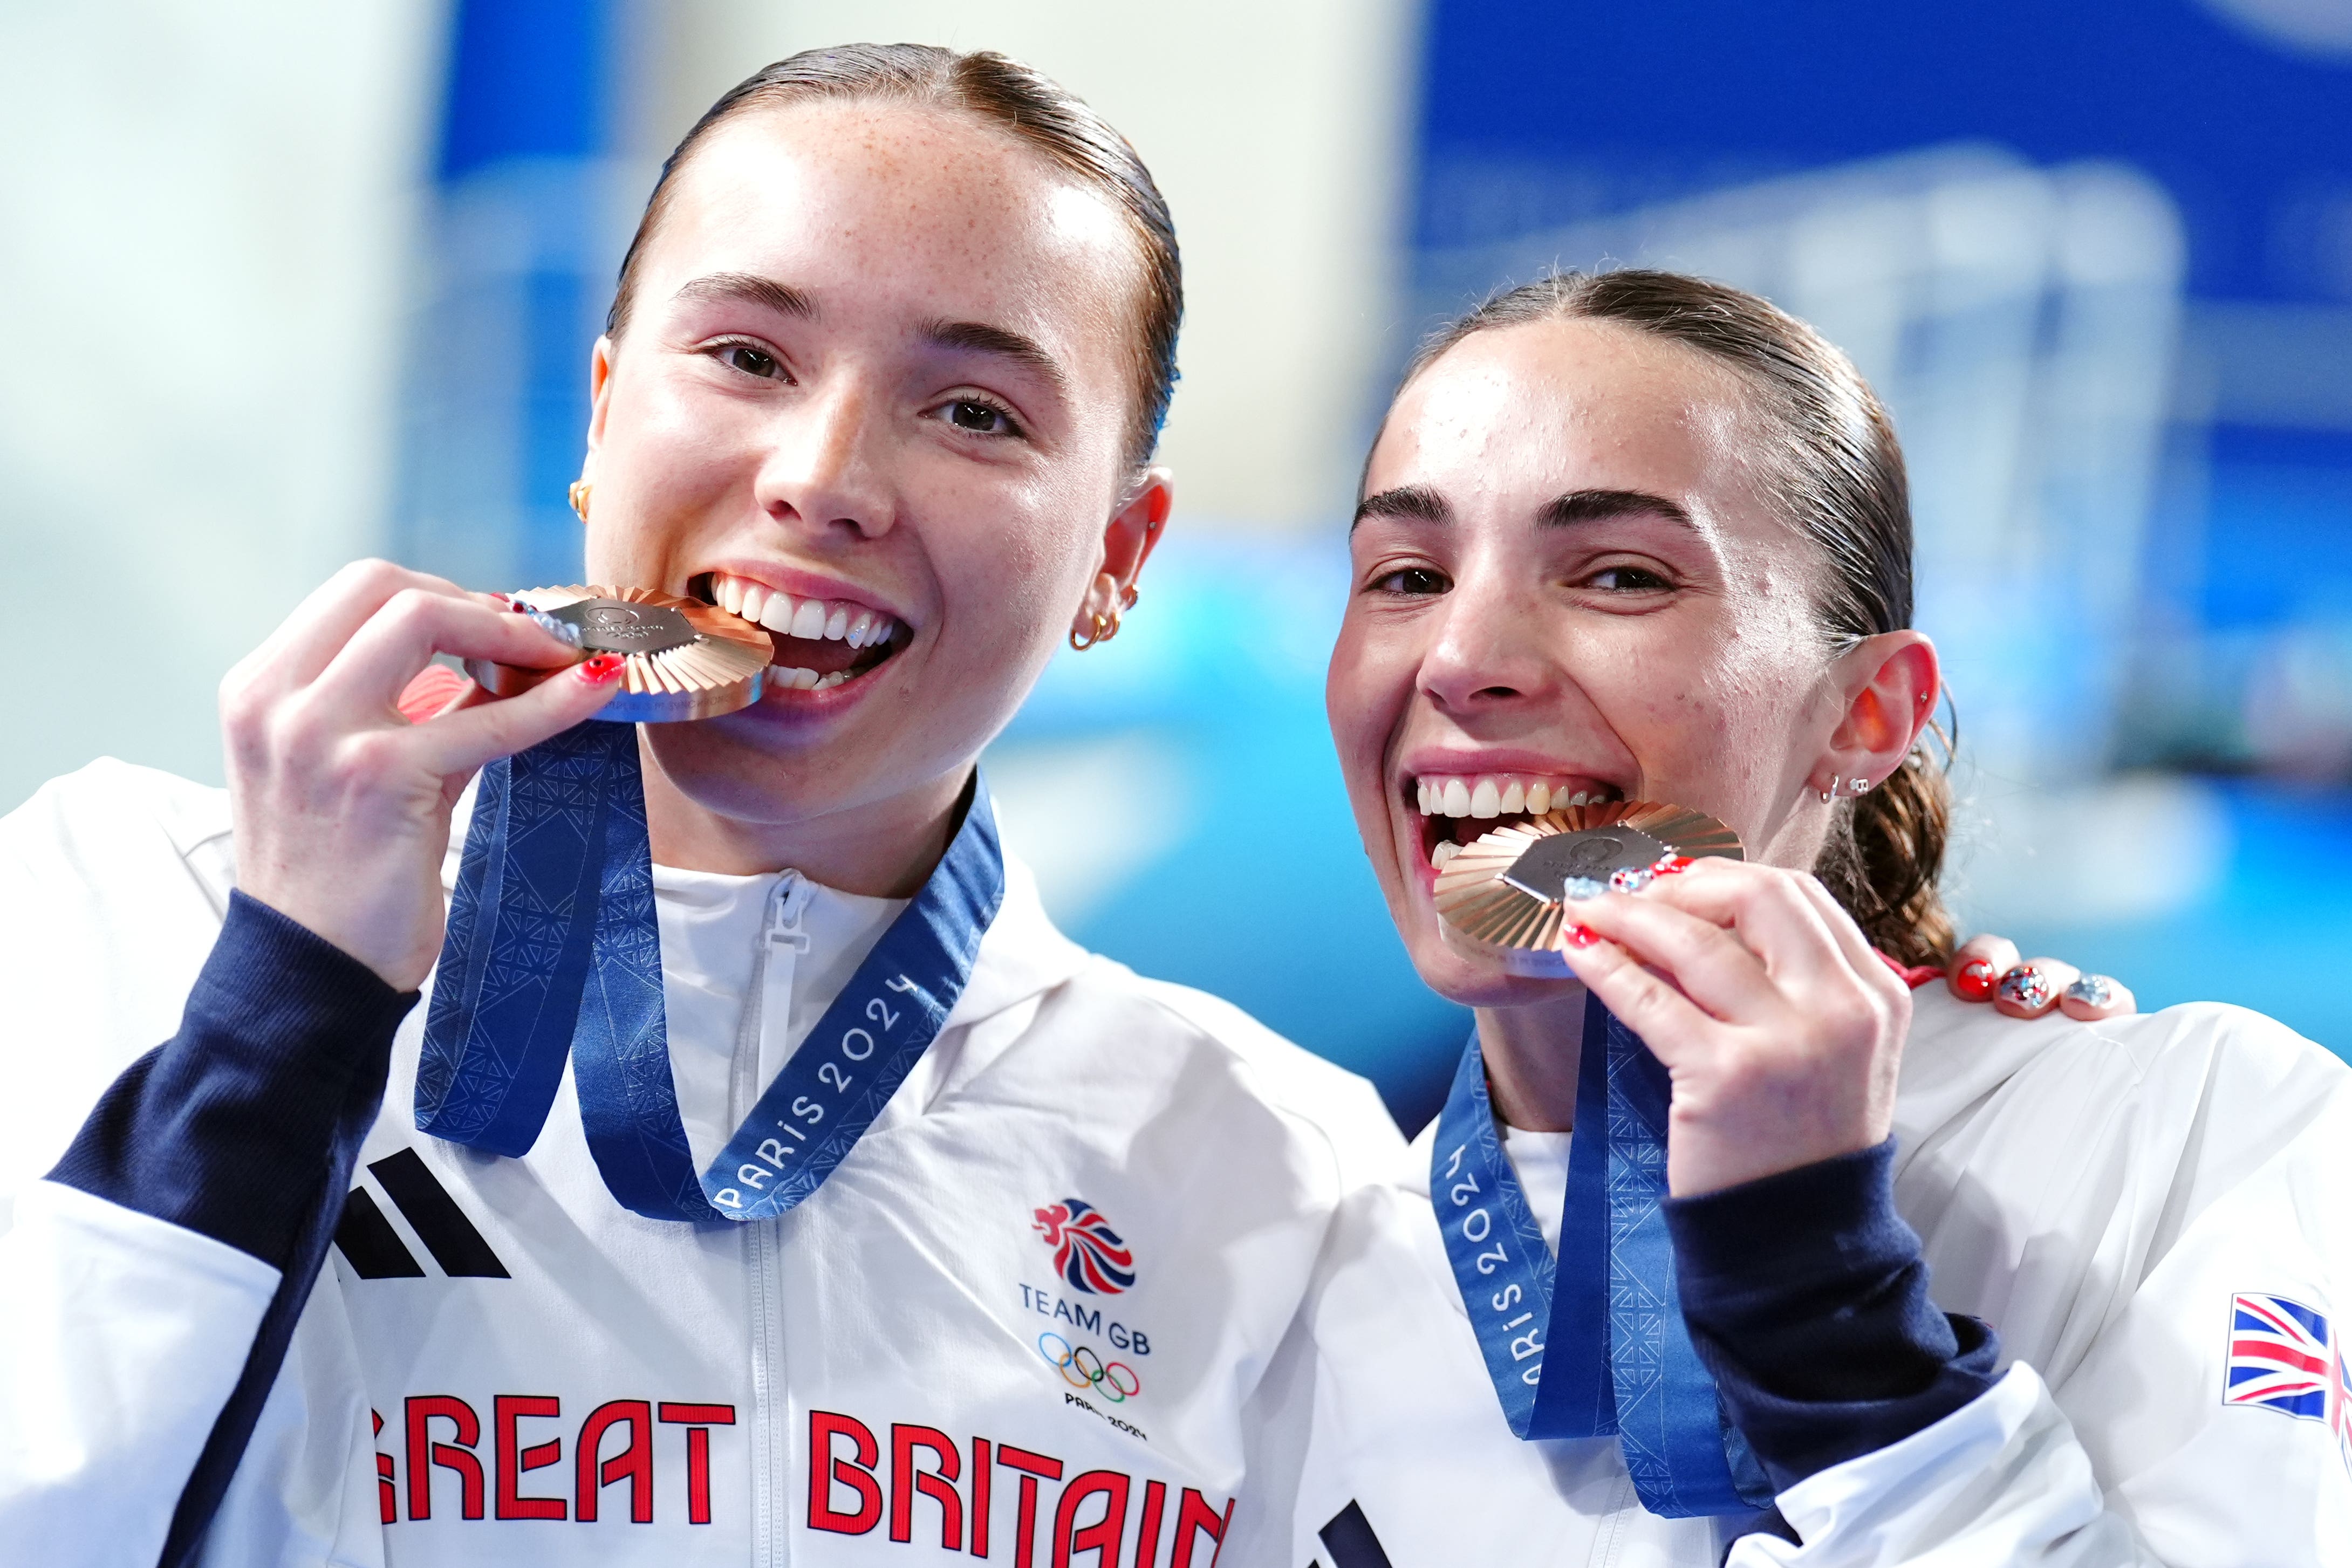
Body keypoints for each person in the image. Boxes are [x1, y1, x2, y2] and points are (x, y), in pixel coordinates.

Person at [0, 47, 2102, 1568]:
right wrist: (275, 1017)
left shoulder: (1259, 1164)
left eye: (976, 407)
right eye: (744, 354)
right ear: (597, 409)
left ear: (1119, 552)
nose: (827, 471)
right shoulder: (128, 903)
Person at [1297, 269, 2352, 1565]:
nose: (1459, 658)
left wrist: (1836, 1327)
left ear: (1866, 715)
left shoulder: (2189, 1130)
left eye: (1619, 574)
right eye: (1404, 573)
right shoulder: (1299, 1257)